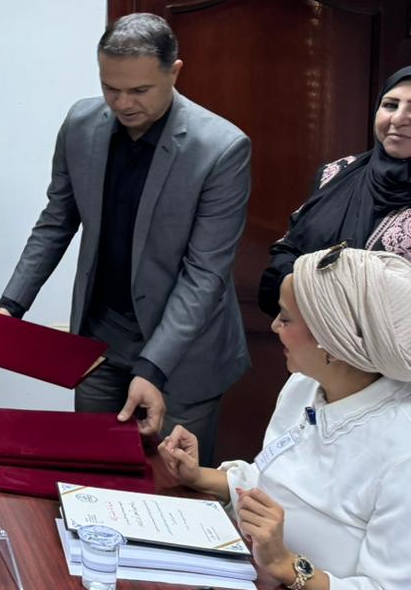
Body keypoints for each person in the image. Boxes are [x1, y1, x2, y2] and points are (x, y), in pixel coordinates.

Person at [0, 13, 251, 464]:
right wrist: (11, 305)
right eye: (110, 88)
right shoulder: (81, 123)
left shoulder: (220, 149)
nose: (122, 103)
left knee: (173, 489)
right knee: (93, 474)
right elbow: (56, 220)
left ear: (174, 72)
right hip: (100, 344)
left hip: (185, 356)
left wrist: (153, 367)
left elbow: (204, 274)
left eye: (139, 90)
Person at [161, 245, 411, 590]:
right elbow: (272, 481)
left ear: (332, 340)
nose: (274, 325)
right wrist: (200, 476)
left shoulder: (401, 451)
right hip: (245, 567)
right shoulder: (304, 386)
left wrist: (285, 564)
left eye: (286, 318)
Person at [258, 66, 411, 316]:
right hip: (311, 329)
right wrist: (298, 292)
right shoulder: (337, 173)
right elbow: (289, 249)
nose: (397, 119)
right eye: (391, 105)